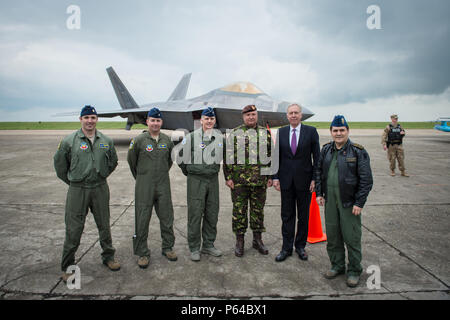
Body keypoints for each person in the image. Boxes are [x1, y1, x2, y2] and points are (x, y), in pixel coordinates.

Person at [54, 105, 120, 282]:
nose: (90, 121)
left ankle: (109, 257)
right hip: (78, 189)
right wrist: (73, 181)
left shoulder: (106, 140)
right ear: (80, 119)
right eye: (86, 118)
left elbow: (113, 161)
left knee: (104, 225)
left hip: (100, 187)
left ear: (96, 119)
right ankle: (67, 268)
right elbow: (60, 166)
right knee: (74, 229)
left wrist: (102, 174)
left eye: (93, 117)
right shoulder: (69, 141)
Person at [315, 115, 373, 288]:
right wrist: (319, 193)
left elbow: (366, 180)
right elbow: (318, 172)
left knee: (352, 237)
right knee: (333, 236)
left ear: (348, 131)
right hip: (330, 201)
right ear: (331, 132)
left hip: (349, 203)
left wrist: (359, 202)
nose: (338, 133)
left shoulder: (358, 151)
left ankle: (354, 270)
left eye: (342, 130)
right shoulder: (326, 150)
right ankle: (337, 265)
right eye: (335, 130)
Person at [127, 107, 177, 268]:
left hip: (163, 183)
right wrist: (142, 177)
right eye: (152, 120)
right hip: (144, 184)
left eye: (158, 120)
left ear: (161, 122)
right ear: (147, 121)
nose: (155, 123)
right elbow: (131, 161)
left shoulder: (166, 140)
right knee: (142, 218)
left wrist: (159, 174)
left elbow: (169, 161)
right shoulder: (139, 140)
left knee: (167, 216)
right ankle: (142, 252)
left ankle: (168, 247)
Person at [223, 104, 273, 257]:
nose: (251, 117)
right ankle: (240, 241)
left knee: (258, 212)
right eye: (248, 115)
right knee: (239, 211)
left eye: (253, 114)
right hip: (239, 182)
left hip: (259, 181)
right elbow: (227, 157)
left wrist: (270, 176)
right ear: (243, 117)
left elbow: (271, 156)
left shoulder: (266, 133)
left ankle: (257, 240)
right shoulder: (235, 133)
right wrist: (228, 177)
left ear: (257, 116)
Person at [273, 104, 320, 262]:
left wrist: (315, 178)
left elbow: (317, 158)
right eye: (291, 113)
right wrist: (275, 177)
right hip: (286, 181)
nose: (293, 115)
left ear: (301, 115)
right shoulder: (281, 132)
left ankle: (300, 246)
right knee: (287, 216)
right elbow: (276, 156)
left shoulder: (311, 132)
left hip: (305, 182)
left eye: (296, 113)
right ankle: (286, 248)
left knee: (303, 216)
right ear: (287, 116)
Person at [178, 107, 223, 261]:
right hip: (196, 181)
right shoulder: (190, 137)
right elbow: (180, 159)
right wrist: (191, 172)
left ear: (214, 121)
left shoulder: (219, 139)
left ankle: (209, 244)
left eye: (211, 119)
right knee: (195, 214)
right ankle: (194, 247)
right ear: (201, 120)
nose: (209, 121)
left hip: (213, 180)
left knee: (212, 213)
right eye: (206, 118)